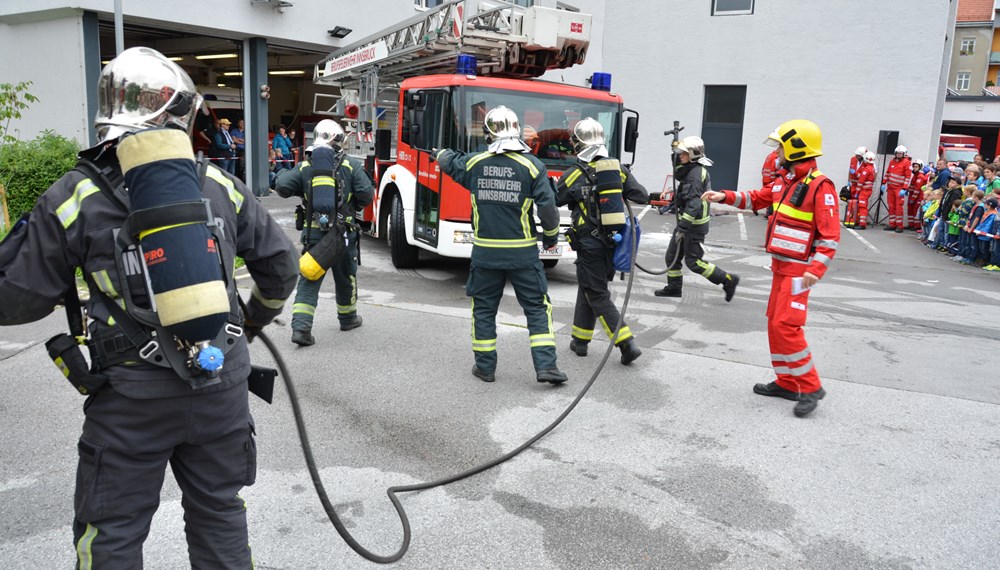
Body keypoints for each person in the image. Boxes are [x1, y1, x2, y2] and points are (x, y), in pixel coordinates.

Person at [0, 46, 297, 568]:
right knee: (220, 514)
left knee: (111, 533)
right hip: (221, 383)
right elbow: (281, 269)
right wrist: (248, 325)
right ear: (179, 113)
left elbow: (20, 300)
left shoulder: (74, 196)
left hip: (131, 397)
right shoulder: (221, 184)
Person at [703, 119, 839, 417]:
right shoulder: (784, 181)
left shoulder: (820, 186)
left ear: (795, 147)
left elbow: (830, 236)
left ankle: (810, 385)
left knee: (786, 325)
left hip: (800, 271)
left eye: (780, 145)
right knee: (774, 323)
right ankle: (788, 382)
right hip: (781, 267)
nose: (776, 150)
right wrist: (723, 196)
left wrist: (814, 271)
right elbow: (755, 198)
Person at [432, 105, 568, 385]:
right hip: (523, 254)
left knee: (483, 308)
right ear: (517, 130)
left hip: (485, 254)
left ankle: (485, 368)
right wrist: (552, 238)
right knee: (537, 308)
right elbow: (549, 210)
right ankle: (546, 367)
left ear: (488, 134)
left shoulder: (474, 163)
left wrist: (439, 153)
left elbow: (449, 161)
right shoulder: (533, 166)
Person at [555, 117, 648, 365]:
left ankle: (626, 342)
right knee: (589, 287)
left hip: (589, 244)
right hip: (612, 242)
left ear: (579, 144)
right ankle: (580, 341)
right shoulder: (616, 169)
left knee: (596, 293)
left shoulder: (575, 174)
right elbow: (641, 195)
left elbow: (555, 198)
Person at [274, 120, 373, 346]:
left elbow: (282, 188)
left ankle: (301, 328)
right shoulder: (350, 165)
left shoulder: (306, 167)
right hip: (342, 234)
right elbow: (366, 196)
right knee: (346, 276)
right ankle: (348, 318)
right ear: (338, 141)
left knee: (309, 278)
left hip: (314, 235)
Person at [654, 135, 740, 302]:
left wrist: (682, 229)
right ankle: (674, 288)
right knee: (672, 256)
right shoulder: (691, 170)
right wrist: (674, 147)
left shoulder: (695, 174)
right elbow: (678, 170)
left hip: (693, 226)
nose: (681, 156)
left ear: (693, 155)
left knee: (694, 262)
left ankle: (728, 280)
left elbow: (694, 205)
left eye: (684, 153)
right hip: (687, 224)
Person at [882, 145, 911, 231]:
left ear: (904, 154)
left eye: (900, 153)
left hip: (899, 189)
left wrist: (904, 189)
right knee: (891, 206)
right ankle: (892, 224)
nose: (898, 155)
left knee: (898, 207)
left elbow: (907, 177)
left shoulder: (906, 162)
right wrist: (883, 183)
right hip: (890, 187)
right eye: (897, 153)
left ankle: (899, 226)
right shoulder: (892, 161)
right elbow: (887, 173)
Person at [847, 150, 876, 229]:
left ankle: (862, 224)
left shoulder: (866, 169)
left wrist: (857, 192)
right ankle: (860, 222)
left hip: (864, 191)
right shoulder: (872, 168)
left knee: (862, 206)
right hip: (867, 190)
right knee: (863, 206)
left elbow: (861, 181)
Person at [903, 158, 928, 231]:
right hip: (913, 196)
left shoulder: (920, 176)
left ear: (920, 167)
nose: (914, 168)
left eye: (916, 167)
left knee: (915, 211)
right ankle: (911, 225)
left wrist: (912, 199)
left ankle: (916, 226)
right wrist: (908, 190)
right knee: (910, 211)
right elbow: (913, 186)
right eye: (914, 166)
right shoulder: (915, 175)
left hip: (917, 197)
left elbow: (917, 189)